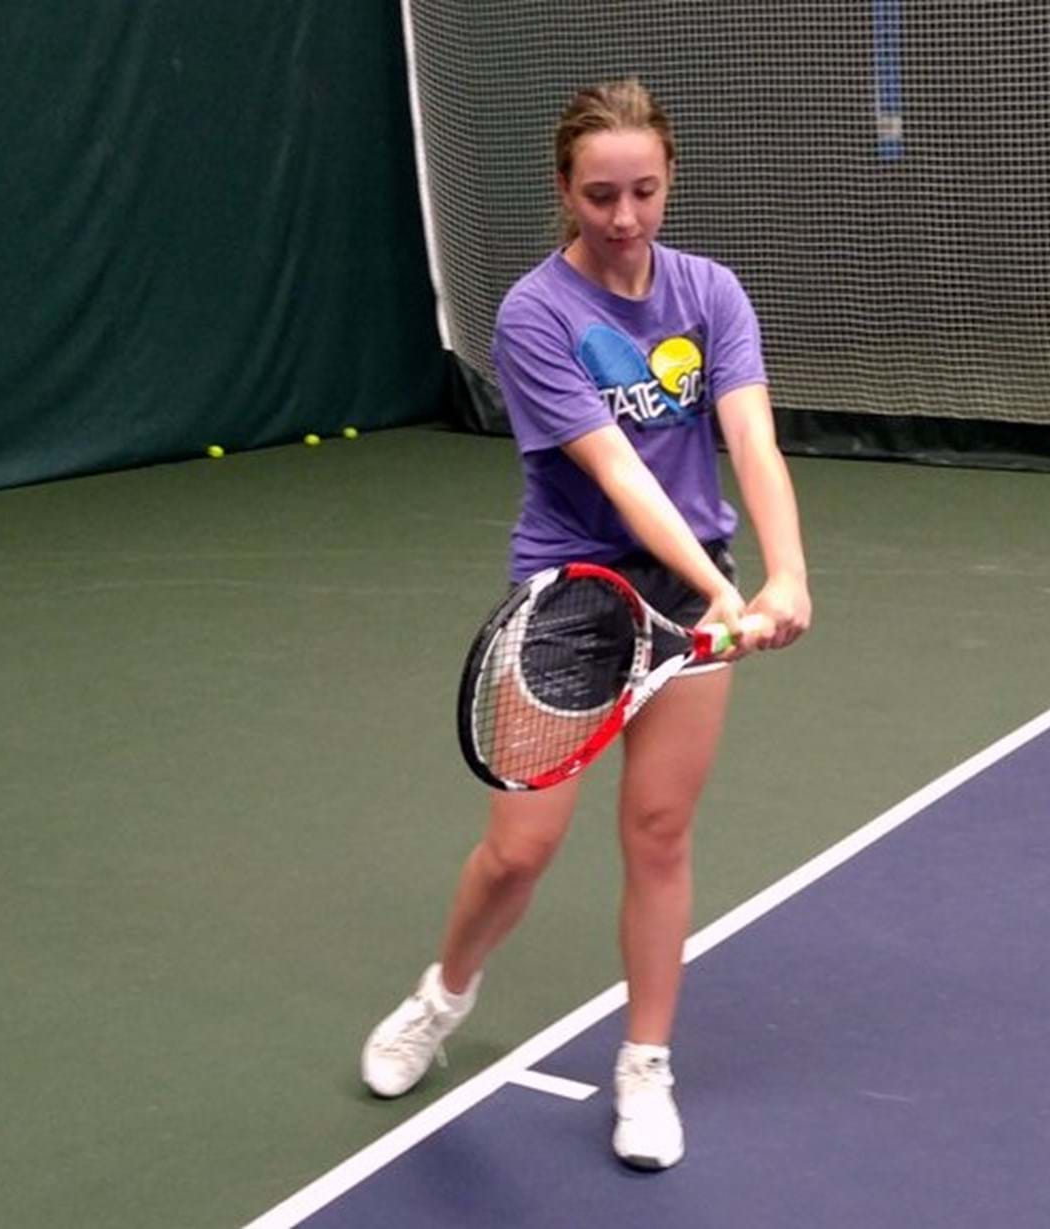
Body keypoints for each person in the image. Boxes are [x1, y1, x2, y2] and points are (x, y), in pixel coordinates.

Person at [360, 79, 812, 1172]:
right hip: (572, 596)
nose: (624, 216)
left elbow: (750, 442)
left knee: (659, 833)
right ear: (564, 190)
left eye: (644, 191)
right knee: (521, 848)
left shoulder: (710, 294)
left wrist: (785, 572)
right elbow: (612, 472)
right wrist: (711, 585)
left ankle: (644, 1062)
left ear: (669, 182)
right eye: (600, 194)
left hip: (689, 592)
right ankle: (443, 993)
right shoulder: (535, 314)